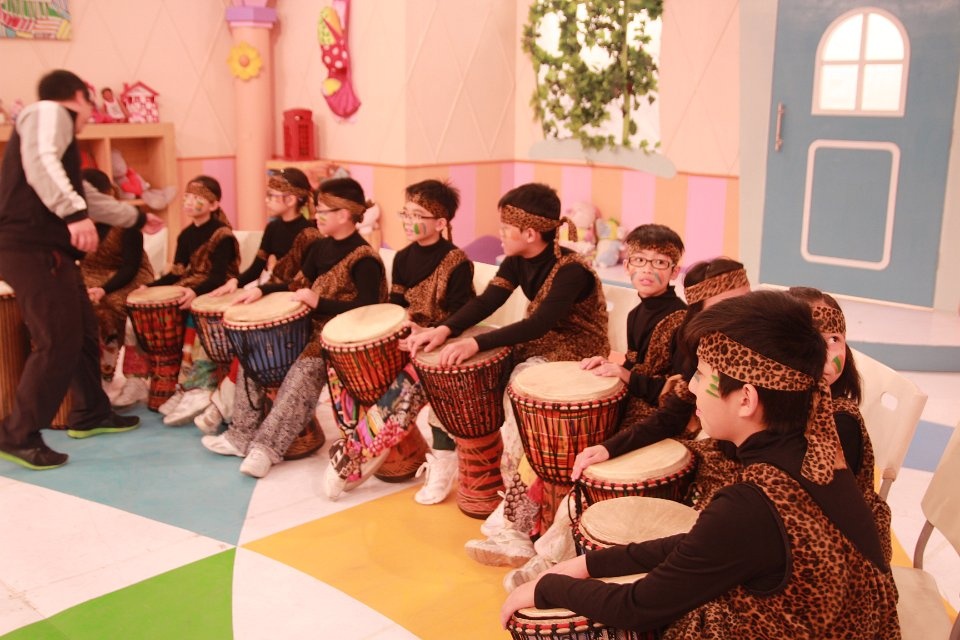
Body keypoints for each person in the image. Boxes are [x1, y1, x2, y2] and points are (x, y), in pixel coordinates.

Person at [500, 290, 900, 638]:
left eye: (703, 376)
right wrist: (590, 563)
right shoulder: (816, 446)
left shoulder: (752, 504)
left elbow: (637, 606)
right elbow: (702, 543)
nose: (691, 387)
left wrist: (545, 588)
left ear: (746, 399)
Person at [503, 257, 752, 589]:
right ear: (702, 309)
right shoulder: (695, 342)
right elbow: (673, 408)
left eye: (745, 297)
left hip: (728, 454)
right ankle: (530, 541)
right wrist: (608, 447)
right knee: (586, 469)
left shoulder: (753, 345)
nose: (744, 310)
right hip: (684, 428)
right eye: (639, 259)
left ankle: (551, 558)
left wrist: (628, 378)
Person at [406, 182, 609, 562]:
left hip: (577, 354)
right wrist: (446, 330)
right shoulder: (516, 261)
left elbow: (539, 323)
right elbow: (488, 301)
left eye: (505, 227)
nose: (499, 233)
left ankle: (513, 519)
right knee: (462, 376)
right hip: (537, 345)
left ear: (529, 233)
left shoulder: (571, 271)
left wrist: (475, 343)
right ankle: (459, 468)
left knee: (517, 394)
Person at [0, 70, 157, 470]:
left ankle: (91, 412)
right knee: (57, 340)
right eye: (90, 105)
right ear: (79, 96)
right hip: (32, 249)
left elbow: (84, 195)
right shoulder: (48, 112)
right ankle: (18, 433)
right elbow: (42, 164)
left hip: (49, 252)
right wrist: (72, 215)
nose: (90, 115)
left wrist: (135, 218)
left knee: (83, 330)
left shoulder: (59, 135)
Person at [201, 177, 386, 479]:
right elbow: (296, 284)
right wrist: (262, 290)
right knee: (255, 351)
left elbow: (370, 309)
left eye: (323, 210)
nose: (317, 216)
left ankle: (265, 449)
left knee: (304, 372)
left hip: (339, 338)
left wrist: (319, 302)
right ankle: (240, 435)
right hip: (307, 327)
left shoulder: (365, 259)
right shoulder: (320, 247)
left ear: (343, 214)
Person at [322, 178, 475, 503]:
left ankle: (353, 456)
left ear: (441, 223)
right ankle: (356, 439)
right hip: (408, 340)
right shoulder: (403, 258)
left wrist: (428, 333)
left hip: (439, 346)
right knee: (342, 368)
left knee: (404, 387)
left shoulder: (457, 262)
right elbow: (396, 304)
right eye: (405, 213)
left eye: (417, 215)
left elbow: (461, 316)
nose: (408, 221)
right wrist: (397, 327)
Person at [193, 167, 321, 433]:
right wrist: (234, 283)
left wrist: (264, 290)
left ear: (291, 199)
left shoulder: (310, 234)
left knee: (250, 345)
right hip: (271, 295)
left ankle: (221, 406)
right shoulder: (273, 228)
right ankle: (223, 404)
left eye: (272, 195)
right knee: (243, 338)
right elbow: (256, 267)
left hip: (294, 305)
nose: (266, 200)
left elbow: (302, 282)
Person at [146, 176, 240, 426]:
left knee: (195, 315)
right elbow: (177, 272)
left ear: (213, 204)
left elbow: (218, 276)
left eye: (197, 198)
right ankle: (184, 385)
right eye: (187, 196)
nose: (188, 202)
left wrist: (195, 293)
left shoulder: (222, 235)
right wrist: (149, 288)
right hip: (193, 287)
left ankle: (199, 386)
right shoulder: (186, 234)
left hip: (220, 291)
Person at [79, 169, 155, 407]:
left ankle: (108, 375)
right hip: (90, 278)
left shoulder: (126, 222)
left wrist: (103, 289)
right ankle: (84, 378)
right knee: (74, 308)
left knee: (108, 308)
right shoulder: (79, 222)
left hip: (128, 278)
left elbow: (130, 267)